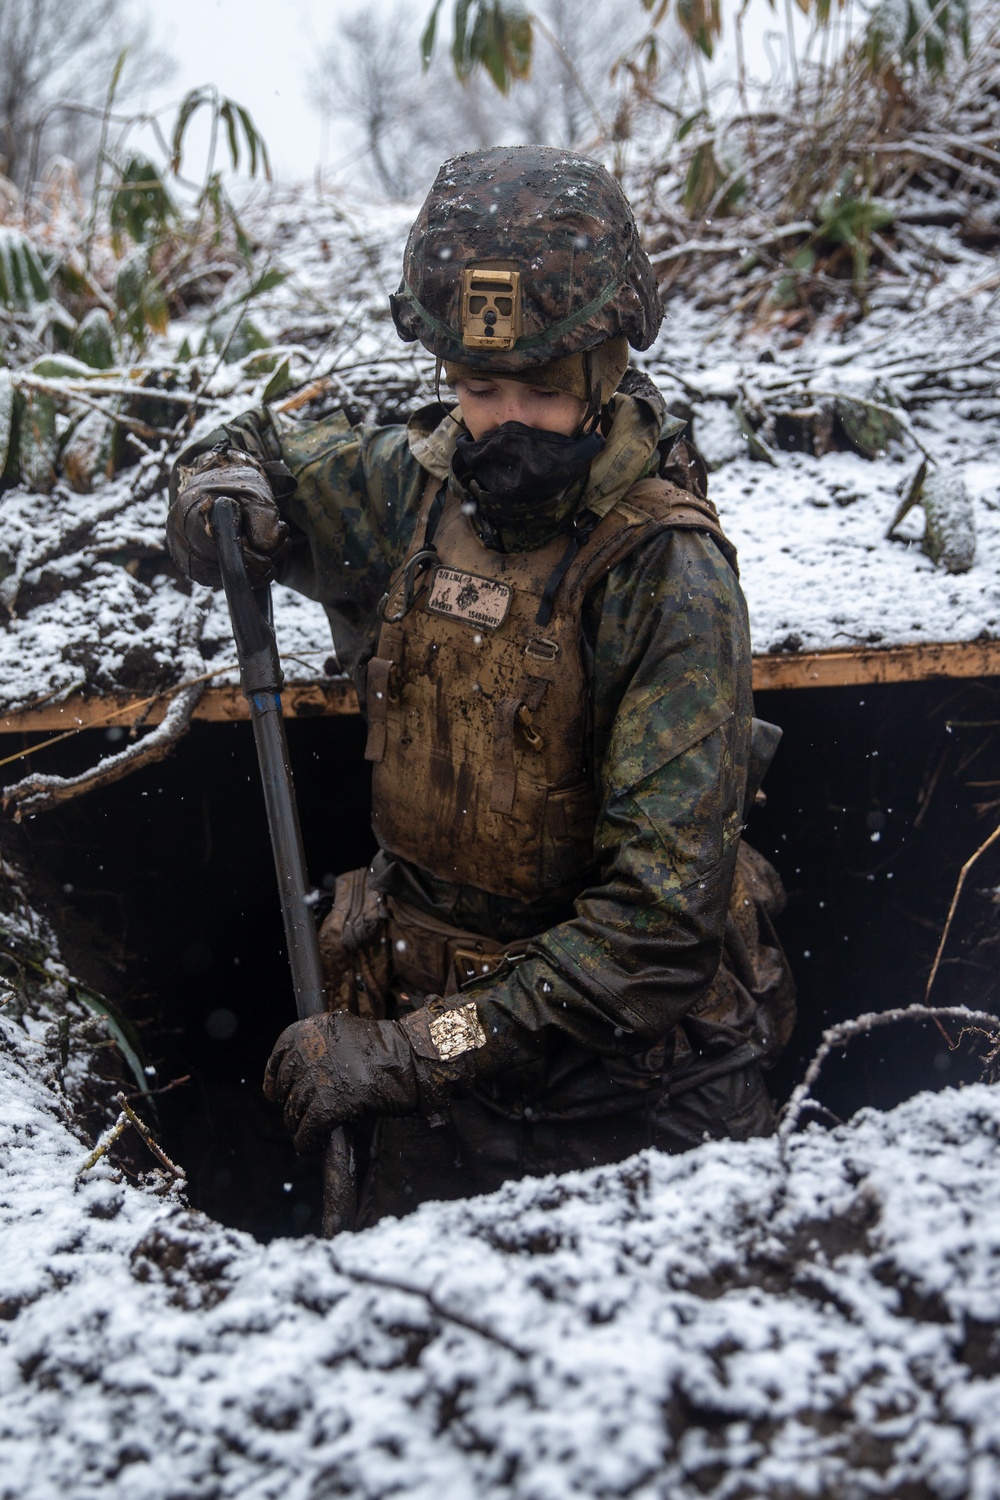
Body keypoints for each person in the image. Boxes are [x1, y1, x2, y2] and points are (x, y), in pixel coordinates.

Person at [167, 146, 793, 1226]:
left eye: (539, 391)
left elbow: (651, 934)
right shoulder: (413, 490)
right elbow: (258, 442)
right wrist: (216, 480)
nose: (502, 419)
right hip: (426, 1076)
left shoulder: (665, 572)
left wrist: (413, 1052)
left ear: (604, 368)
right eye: (475, 387)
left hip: (629, 1100)